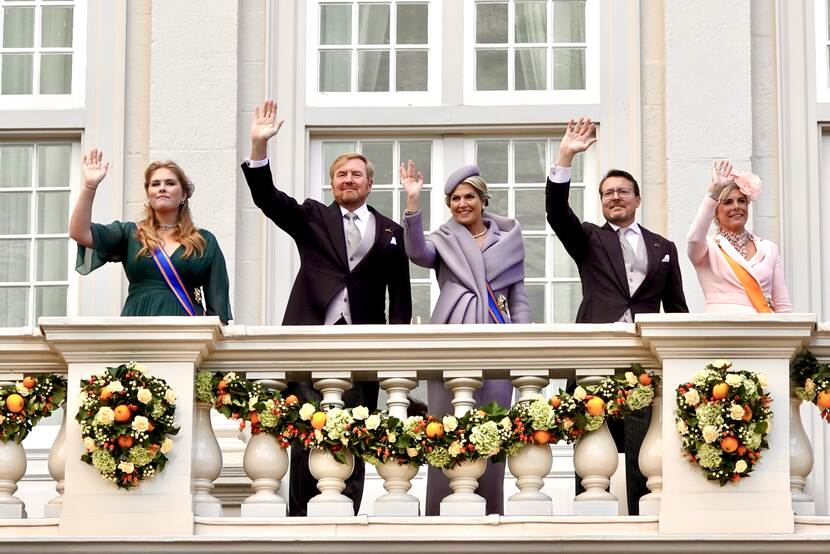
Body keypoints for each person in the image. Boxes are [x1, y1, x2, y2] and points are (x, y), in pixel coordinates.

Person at [240, 100, 412, 516]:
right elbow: (267, 198)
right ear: (332, 183)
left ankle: (347, 516)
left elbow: (401, 299)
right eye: (340, 174)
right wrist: (259, 146)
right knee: (305, 435)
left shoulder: (391, 230)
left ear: (370, 184)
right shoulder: (312, 217)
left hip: (362, 348)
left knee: (353, 433)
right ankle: (301, 516)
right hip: (308, 340)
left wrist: (395, 352)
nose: (347, 180)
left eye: (355, 174)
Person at [545, 118, 688, 515]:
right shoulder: (589, 239)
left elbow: (676, 308)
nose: (615, 198)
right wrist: (566, 156)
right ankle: (590, 519)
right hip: (595, 356)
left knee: (647, 448)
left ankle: (647, 517)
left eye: (623, 191)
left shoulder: (664, 246)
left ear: (637, 199)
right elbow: (557, 213)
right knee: (592, 448)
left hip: (643, 359)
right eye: (608, 193)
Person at [401, 160, 530, 516]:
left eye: (469, 196)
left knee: (494, 428)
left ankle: (491, 514)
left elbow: (518, 298)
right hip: (451, 336)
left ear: (483, 200)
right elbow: (416, 252)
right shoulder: (444, 239)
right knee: (446, 429)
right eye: (455, 198)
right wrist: (413, 202)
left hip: (495, 338)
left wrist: (525, 344)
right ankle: (440, 514)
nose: (462, 204)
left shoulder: (509, 240)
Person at [69, 149, 232, 323]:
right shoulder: (130, 234)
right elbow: (79, 232)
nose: (162, 188)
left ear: (184, 195)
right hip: (138, 330)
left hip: (188, 334)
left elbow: (218, 312)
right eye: (155, 184)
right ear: (149, 194)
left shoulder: (204, 240)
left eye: (170, 183)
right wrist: (89, 186)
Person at [687, 160, 792, 313]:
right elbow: (694, 238)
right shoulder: (707, 248)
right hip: (723, 331)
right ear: (715, 211)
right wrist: (714, 192)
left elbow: (783, 306)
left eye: (741, 201)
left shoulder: (768, 248)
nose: (736, 206)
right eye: (728, 202)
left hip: (764, 332)